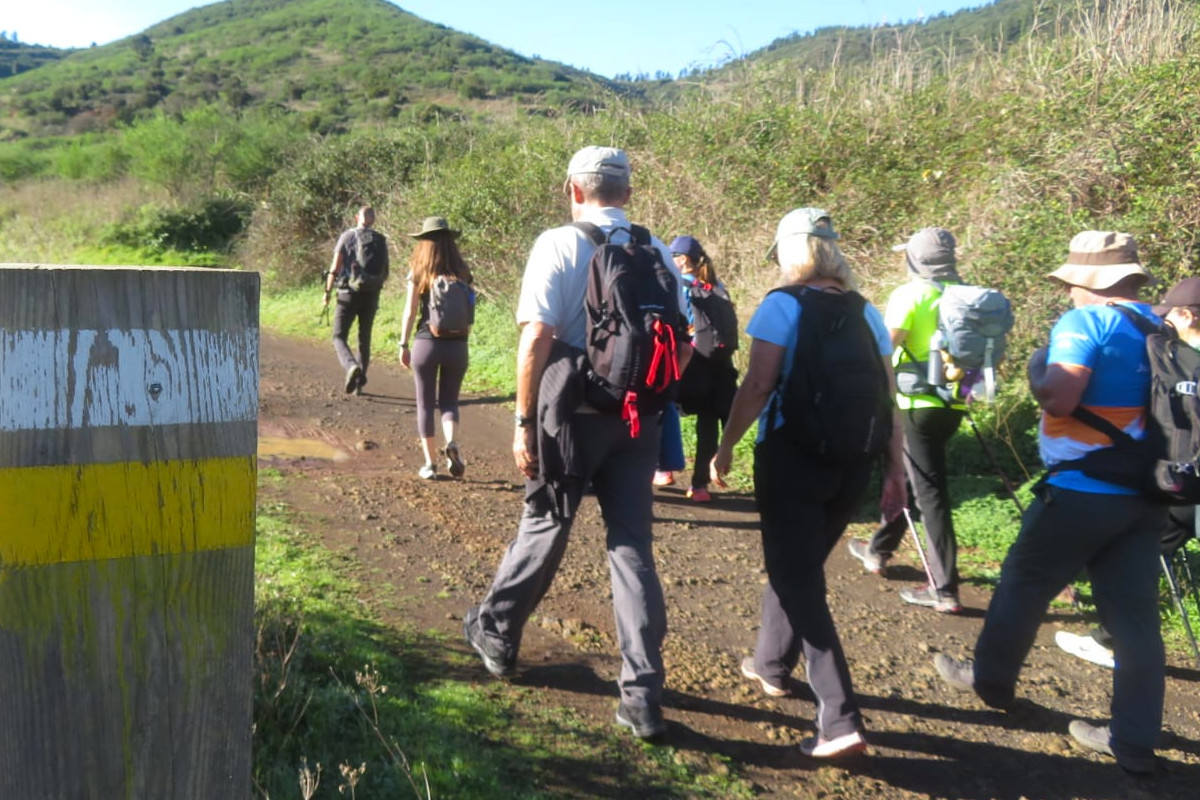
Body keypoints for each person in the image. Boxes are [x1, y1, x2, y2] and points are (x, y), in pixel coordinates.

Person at [462, 146, 692, 741]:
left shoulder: (559, 244)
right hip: (637, 419)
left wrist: (520, 420)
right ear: (628, 193)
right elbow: (686, 344)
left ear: (573, 189)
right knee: (632, 548)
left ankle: (498, 633)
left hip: (571, 416)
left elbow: (536, 336)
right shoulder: (657, 249)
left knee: (546, 523)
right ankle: (642, 697)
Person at [933, 231, 1165, 775]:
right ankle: (1133, 741)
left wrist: (1038, 365)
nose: (1067, 296)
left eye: (1070, 285)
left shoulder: (1088, 322)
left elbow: (1059, 395)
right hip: (1148, 493)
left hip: (1083, 490)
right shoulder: (1161, 323)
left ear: (1089, 283)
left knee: (1023, 580)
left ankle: (990, 679)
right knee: (1135, 623)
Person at [711, 207, 906, 759]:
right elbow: (888, 398)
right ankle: (771, 664)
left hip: (793, 459)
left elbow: (756, 386)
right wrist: (894, 469)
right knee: (796, 566)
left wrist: (725, 447)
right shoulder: (867, 312)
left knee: (798, 579)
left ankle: (840, 719)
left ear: (789, 254)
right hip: (853, 462)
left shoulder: (782, 305)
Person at [1056, 275, 1200, 668]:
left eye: (1171, 316)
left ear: (1187, 315)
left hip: (1187, 482)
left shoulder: (1186, 360)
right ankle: (1111, 634)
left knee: (1141, 553)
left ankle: (1110, 639)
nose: (1165, 323)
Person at [847, 227, 966, 613]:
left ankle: (944, 588)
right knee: (919, 480)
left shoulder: (911, 295)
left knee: (929, 492)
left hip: (915, 403)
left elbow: (884, 347)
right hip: (954, 403)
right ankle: (878, 549)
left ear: (915, 259)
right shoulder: (965, 294)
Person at [397, 216, 474, 480]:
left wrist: (403, 343)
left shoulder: (419, 269)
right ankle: (451, 442)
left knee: (425, 404)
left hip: (426, 343)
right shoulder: (462, 271)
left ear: (424, 241)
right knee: (450, 401)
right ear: (451, 241)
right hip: (457, 345)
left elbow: (410, 310)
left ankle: (430, 464)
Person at [670, 235, 739, 502]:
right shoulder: (718, 287)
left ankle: (663, 469)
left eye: (673, 256)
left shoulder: (681, 287)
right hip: (721, 367)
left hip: (694, 364)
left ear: (683, 260)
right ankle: (700, 487)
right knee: (708, 423)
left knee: (662, 407)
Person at [323, 206, 389, 395]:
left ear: (357, 217)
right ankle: (359, 384)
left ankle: (351, 366)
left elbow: (335, 267)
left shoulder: (348, 236)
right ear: (373, 219)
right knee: (364, 338)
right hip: (371, 294)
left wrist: (327, 291)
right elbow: (385, 271)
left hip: (348, 292)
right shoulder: (380, 239)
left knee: (338, 335)